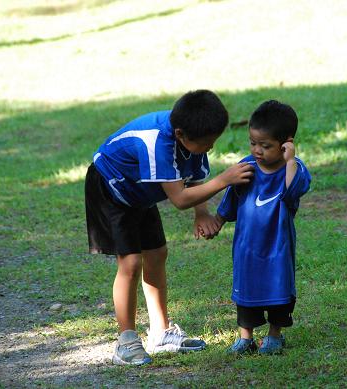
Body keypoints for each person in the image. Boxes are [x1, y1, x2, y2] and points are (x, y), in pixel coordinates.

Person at [85, 90, 254, 365]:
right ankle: (125, 341)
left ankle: (161, 332)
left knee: (157, 253)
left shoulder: (191, 135)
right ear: (180, 134)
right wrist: (225, 179)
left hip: (142, 192)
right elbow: (179, 198)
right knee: (130, 262)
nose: (209, 148)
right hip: (111, 189)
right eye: (206, 144)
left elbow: (194, 178)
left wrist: (202, 214)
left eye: (213, 142)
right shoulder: (157, 143)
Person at [215, 100, 311, 355]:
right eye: (253, 143)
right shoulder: (247, 167)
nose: (257, 150)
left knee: (278, 289)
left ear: (286, 144)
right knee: (246, 290)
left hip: (278, 246)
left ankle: (274, 336)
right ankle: (245, 338)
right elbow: (231, 199)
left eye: (265, 145)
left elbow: (293, 191)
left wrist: (290, 160)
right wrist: (218, 220)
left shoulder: (295, 170)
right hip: (247, 247)